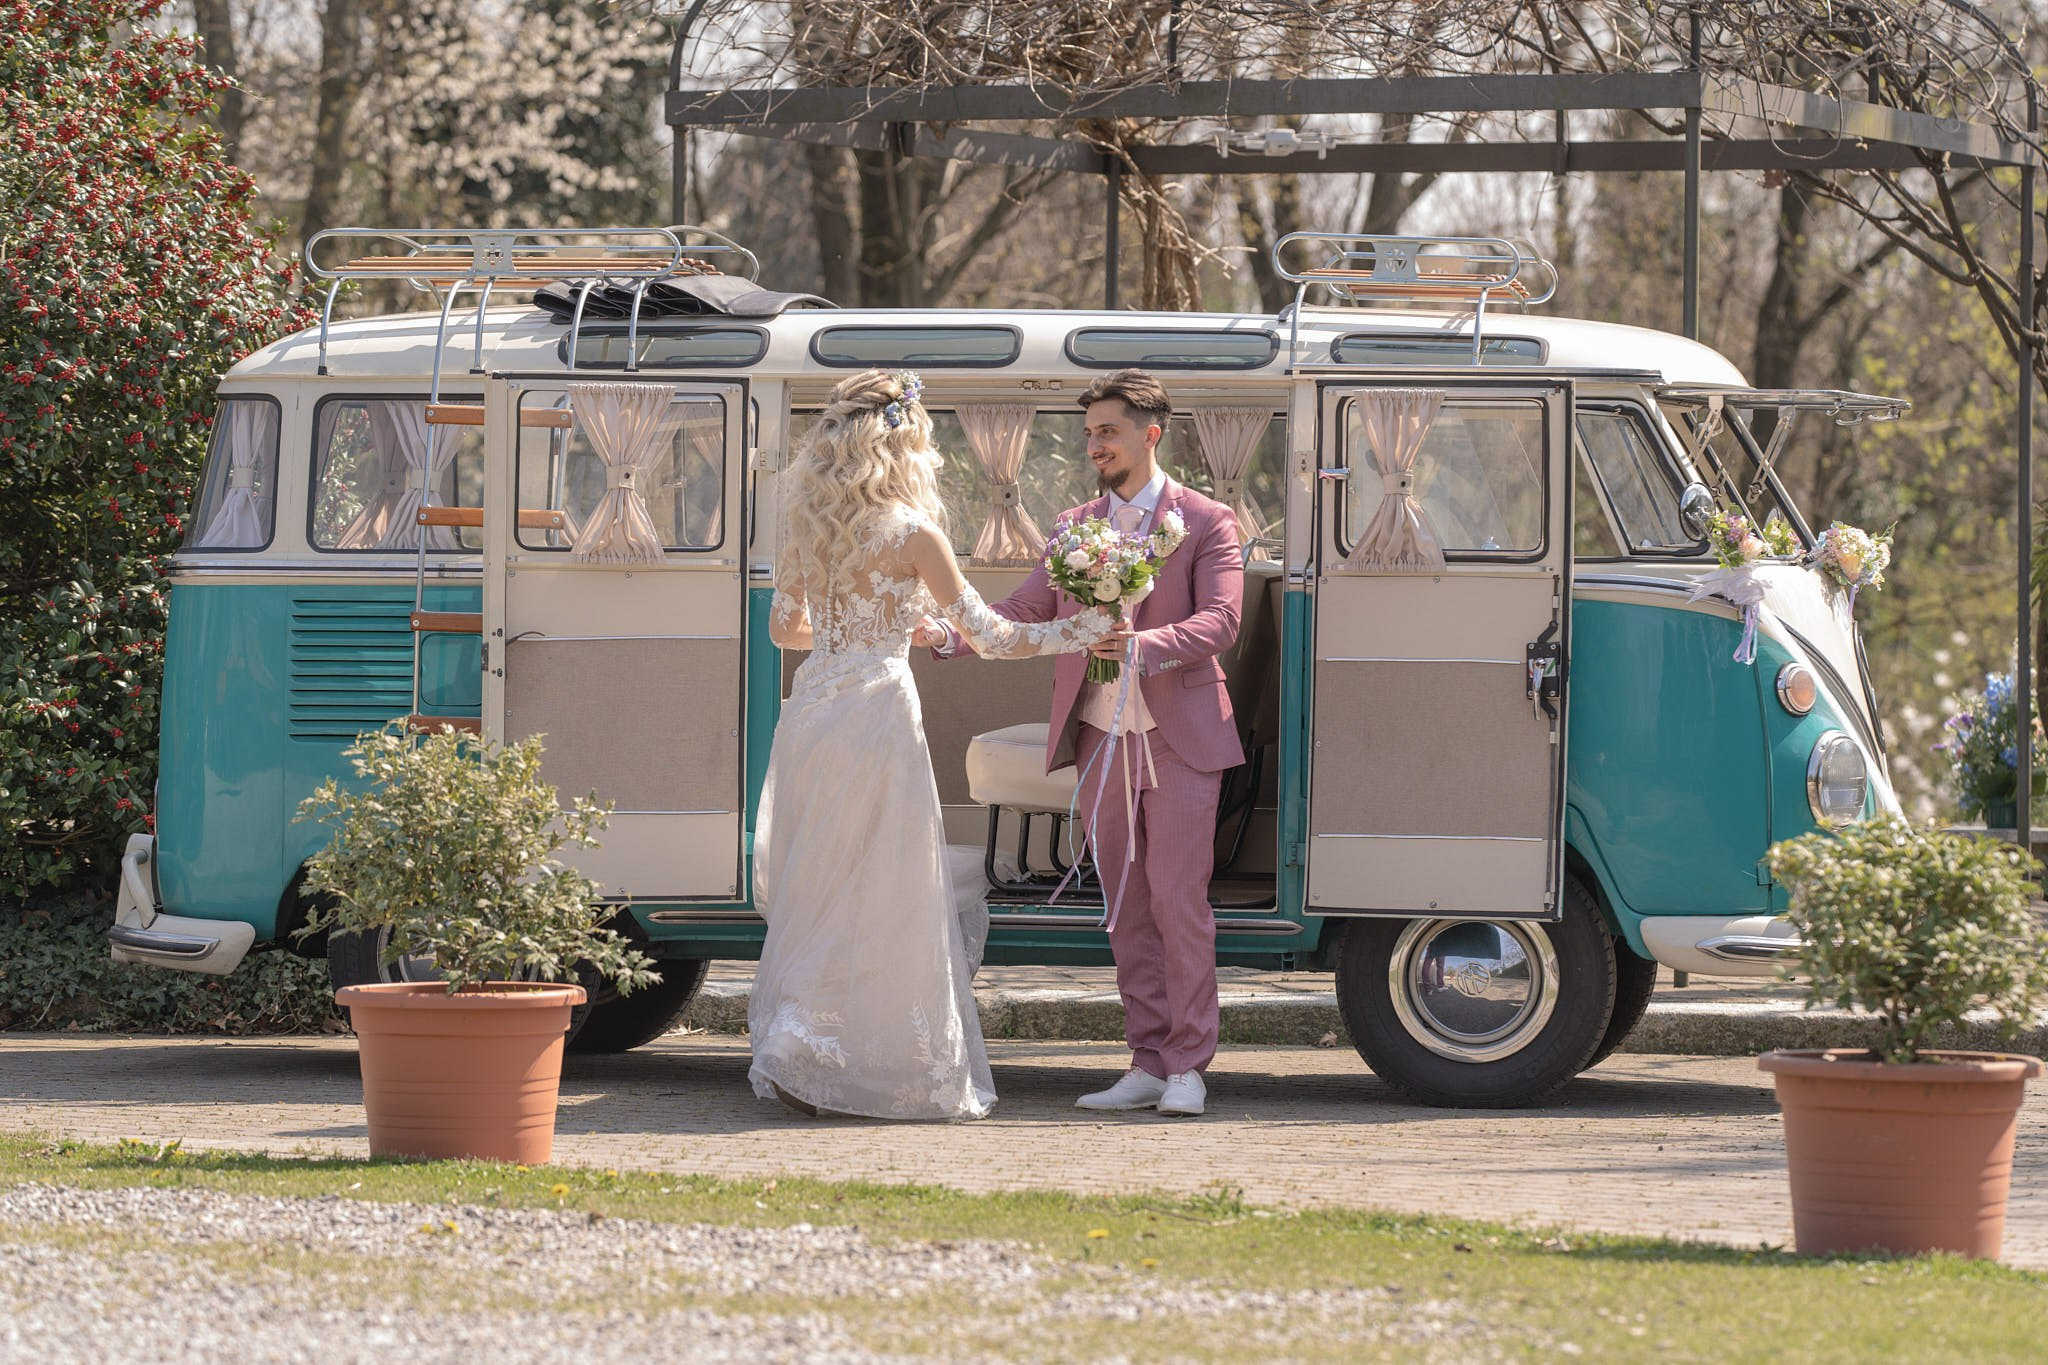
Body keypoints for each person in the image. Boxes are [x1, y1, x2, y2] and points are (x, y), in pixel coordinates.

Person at [751, 368, 1114, 1121]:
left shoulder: (809, 529)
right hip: (878, 707)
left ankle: (803, 1036)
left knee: (821, 876)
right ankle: (826, 1047)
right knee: (880, 880)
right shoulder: (914, 534)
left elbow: (786, 631)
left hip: (815, 706)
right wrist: (1080, 630)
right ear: (906, 446)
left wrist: (853, 630)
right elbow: (994, 637)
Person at [928, 369, 1243, 1117]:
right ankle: (1147, 1059)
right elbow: (1024, 608)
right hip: (1101, 736)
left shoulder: (1205, 520)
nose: (1094, 443)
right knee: (1126, 903)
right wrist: (948, 633)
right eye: (1090, 432)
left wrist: (1144, 643)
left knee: (1177, 899)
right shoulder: (1073, 525)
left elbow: (1223, 622)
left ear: (1149, 433)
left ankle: (1189, 1068)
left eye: (1107, 430)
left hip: (1181, 740)